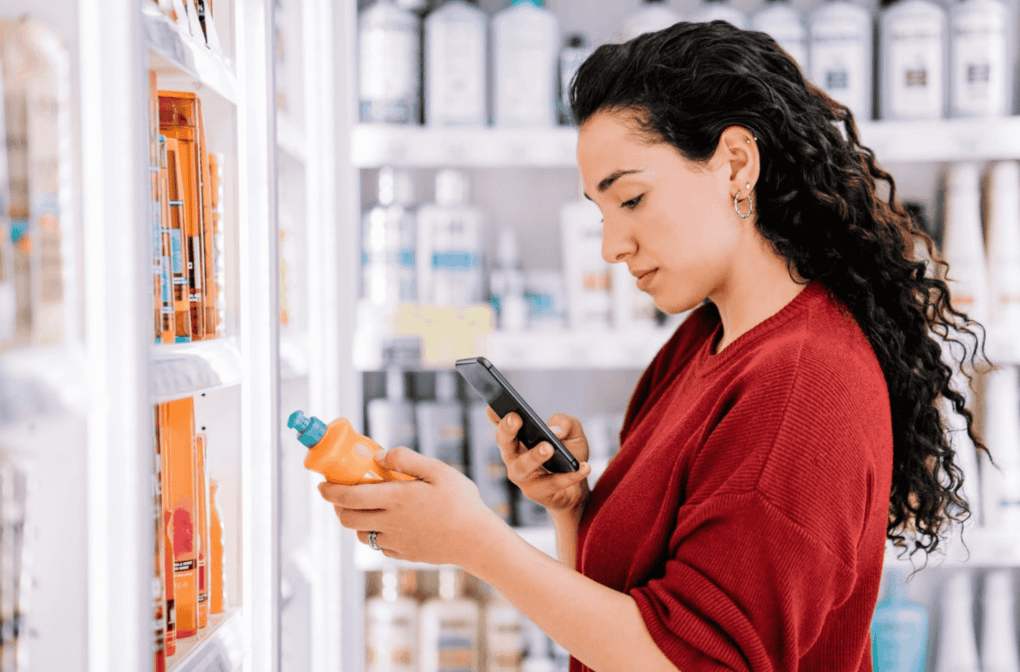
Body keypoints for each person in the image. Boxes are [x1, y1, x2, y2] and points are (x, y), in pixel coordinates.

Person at [319, 20, 987, 672]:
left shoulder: (802, 387)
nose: (612, 246)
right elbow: (632, 620)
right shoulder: (707, 339)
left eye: (631, 199)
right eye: (600, 212)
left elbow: (696, 661)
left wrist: (476, 543)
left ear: (735, 164)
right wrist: (572, 508)